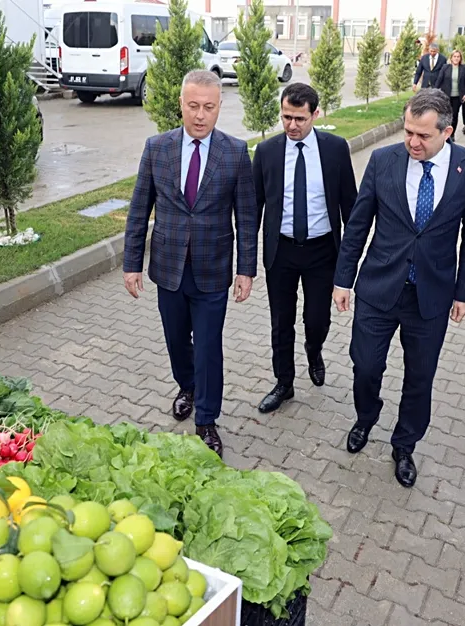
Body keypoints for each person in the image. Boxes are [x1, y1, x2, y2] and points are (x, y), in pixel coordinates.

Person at [334, 89, 465, 488]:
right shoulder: (383, 160)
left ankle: (405, 444)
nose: (413, 142)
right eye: (408, 132)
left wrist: (464, 292)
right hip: (378, 286)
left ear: (447, 132)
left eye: (423, 135)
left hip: (431, 295)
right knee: (365, 365)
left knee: (420, 377)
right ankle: (366, 417)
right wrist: (342, 279)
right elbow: (358, 225)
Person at [122, 70, 257, 458]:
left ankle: (207, 420)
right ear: (181, 104)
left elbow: (246, 217)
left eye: (208, 107)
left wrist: (246, 269)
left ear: (219, 107)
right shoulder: (157, 148)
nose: (200, 115)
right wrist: (132, 263)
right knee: (177, 341)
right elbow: (138, 210)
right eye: (193, 106)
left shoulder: (234, 152)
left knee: (209, 346)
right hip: (167, 267)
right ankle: (188, 385)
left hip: (214, 269)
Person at [253, 83, 358, 414]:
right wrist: (245, 260)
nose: (292, 125)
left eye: (299, 118)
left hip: (321, 251)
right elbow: (254, 205)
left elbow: (349, 205)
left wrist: (350, 263)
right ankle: (284, 382)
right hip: (281, 251)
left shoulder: (335, 149)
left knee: (317, 319)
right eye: (286, 117)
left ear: (316, 114)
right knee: (281, 322)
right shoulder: (266, 151)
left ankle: (315, 349)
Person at [437, 50, 465, 142]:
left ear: (460, 58)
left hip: (458, 97)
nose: (456, 58)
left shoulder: (464, 69)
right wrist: (435, 92)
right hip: (446, 96)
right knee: (446, 115)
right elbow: (439, 80)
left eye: (458, 56)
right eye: (454, 56)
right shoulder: (445, 68)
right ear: (451, 58)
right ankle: (444, 132)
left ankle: (452, 134)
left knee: (454, 115)